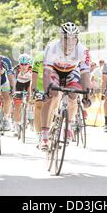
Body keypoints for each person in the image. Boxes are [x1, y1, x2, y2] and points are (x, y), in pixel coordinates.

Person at [40, 22, 92, 150]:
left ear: (77, 38)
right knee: (53, 95)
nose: (70, 41)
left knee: (74, 95)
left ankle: (68, 125)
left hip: (71, 71)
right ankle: (44, 136)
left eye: (73, 38)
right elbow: (46, 72)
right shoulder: (52, 47)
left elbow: (85, 75)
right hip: (55, 70)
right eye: (66, 38)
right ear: (60, 37)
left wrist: (86, 96)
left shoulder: (83, 50)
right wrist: (47, 91)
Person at [12, 53, 33, 136]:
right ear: (19, 64)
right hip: (18, 85)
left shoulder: (32, 70)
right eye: (22, 64)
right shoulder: (16, 70)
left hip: (28, 84)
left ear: (29, 65)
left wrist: (29, 94)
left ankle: (28, 114)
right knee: (17, 105)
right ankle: (16, 126)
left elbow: (32, 82)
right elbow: (13, 82)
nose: (23, 66)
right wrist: (13, 92)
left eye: (26, 64)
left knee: (29, 98)